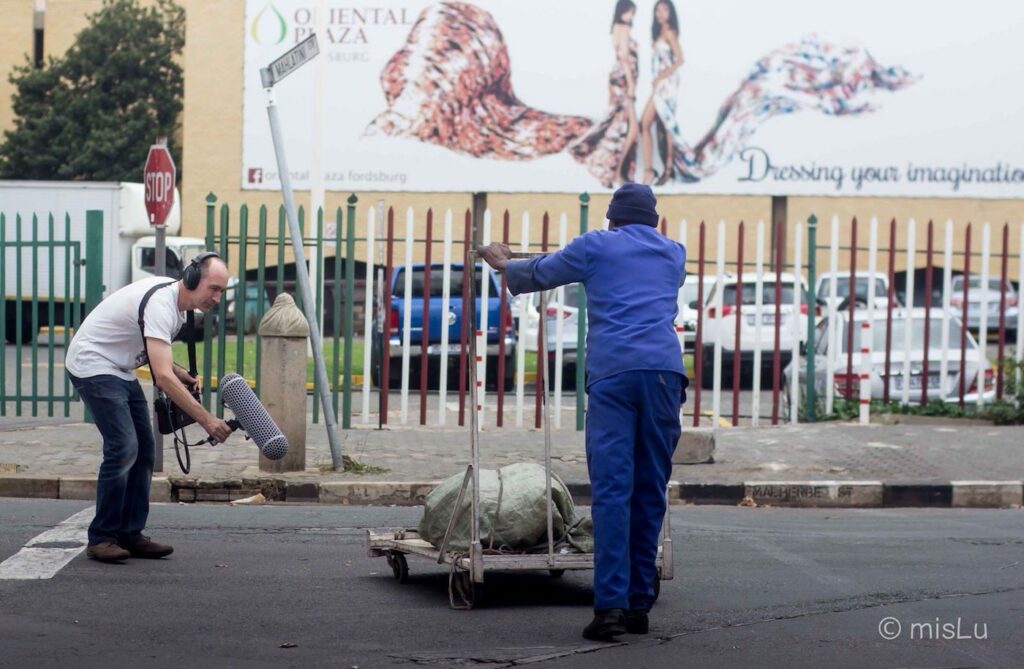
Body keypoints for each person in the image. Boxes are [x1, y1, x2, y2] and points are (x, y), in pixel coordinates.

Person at [477, 183, 687, 641]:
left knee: (613, 490)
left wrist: (503, 262)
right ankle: (637, 603)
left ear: (611, 219)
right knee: (650, 488)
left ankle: (609, 607)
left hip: (614, 376)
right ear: (653, 221)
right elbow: (626, 260)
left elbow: (543, 271)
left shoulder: (595, 246)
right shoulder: (674, 253)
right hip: (665, 375)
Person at [65, 253, 234, 563]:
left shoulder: (178, 311)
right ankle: (102, 537)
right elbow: (163, 378)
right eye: (213, 288)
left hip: (119, 368)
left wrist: (183, 374)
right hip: (92, 364)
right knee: (124, 447)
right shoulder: (161, 304)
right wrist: (208, 421)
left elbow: (158, 358)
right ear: (193, 278)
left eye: (222, 291)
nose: (217, 298)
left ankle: (130, 534)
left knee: (145, 450)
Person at [570, 0, 640, 187]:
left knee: (622, 125)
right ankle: (616, 172)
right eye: (629, 12)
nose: (631, 16)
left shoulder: (617, 28)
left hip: (620, 79)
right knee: (630, 127)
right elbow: (624, 58)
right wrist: (631, 84)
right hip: (623, 80)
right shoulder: (622, 28)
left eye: (632, 13)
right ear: (622, 11)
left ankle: (615, 171)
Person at [639, 0, 686, 185]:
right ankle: (650, 170)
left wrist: (661, 77)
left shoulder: (669, 33)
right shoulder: (658, 33)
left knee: (666, 125)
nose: (660, 13)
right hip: (660, 85)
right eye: (658, 10)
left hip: (667, 85)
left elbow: (680, 60)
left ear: (670, 13)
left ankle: (667, 169)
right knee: (646, 124)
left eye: (664, 10)